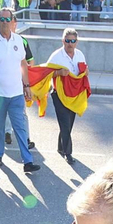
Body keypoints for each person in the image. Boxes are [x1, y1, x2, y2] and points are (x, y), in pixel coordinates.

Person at [0, 6, 39, 173]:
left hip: (16, 93)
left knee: (20, 127)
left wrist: (26, 86)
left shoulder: (18, 41)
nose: (5, 23)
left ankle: (27, 161)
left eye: (8, 19)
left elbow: (23, 64)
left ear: (13, 21)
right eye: (2, 19)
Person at [44, 27, 87, 165]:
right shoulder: (56, 56)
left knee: (68, 123)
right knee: (65, 123)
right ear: (63, 41)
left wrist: (85, 72)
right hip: (59, 94)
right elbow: (46, 73)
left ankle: (60, 147)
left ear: (77, 42)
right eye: (67, 41)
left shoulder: (80, 54)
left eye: (73, 41)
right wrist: (58, 73)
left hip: (73, 96)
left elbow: (84, 70)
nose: (70, 44)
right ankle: (68, 153)